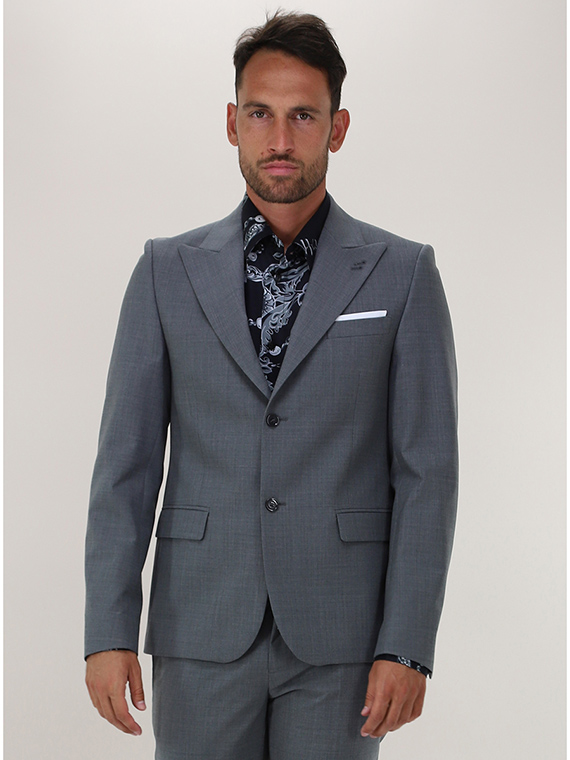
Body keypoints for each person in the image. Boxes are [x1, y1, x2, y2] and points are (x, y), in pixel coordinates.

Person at [85, 11, 458, 760]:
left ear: (337, 128)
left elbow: (427, 474)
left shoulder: (404, 272)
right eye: (260, 114)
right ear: (232, 123)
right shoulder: (165, 270)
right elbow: (125, 467)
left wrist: (408, 644)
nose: (280, 139)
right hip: (200, 623)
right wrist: (106, 629)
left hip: (343, 635)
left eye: (302, 116)